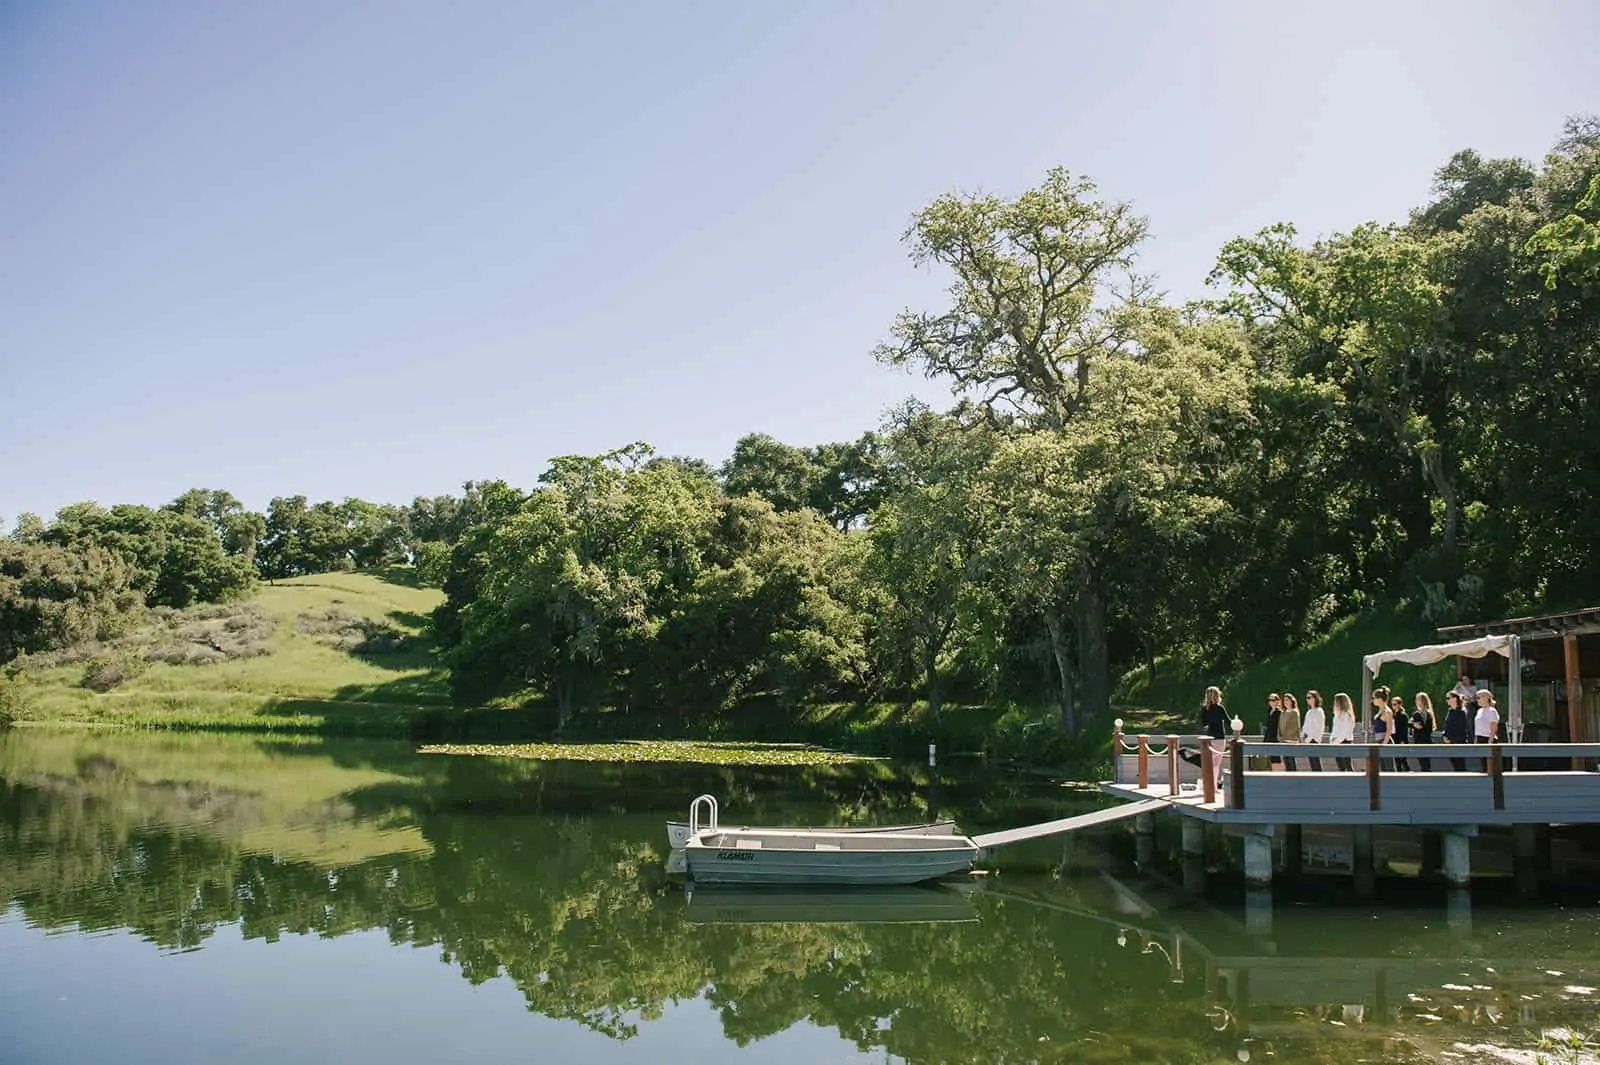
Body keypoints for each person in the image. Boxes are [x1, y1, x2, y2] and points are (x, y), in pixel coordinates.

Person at [1442, 690, 1470, 770]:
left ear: (1455, 699)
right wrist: (1444, 735)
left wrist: (1451, 738)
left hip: (1458, 741)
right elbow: (1447, 726)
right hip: (1449, 742)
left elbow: (1460, 728)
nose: (1447, 700)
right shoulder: (1450, 711)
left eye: (1448, 698)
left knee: (1460, 764)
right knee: (1454, 764)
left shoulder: (1461, 712)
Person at [1331, 692, 1357, 770]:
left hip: (1344, 741)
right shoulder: (1338, 714)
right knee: (1341, 766)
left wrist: (1336, 742)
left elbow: (1344, 732)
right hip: (1337, 741)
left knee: (1346, 765)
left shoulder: (1346, 715)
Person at [1302, 690, 1326, 771]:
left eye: (1309, 697)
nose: (1307, 700)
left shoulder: (1319, 711)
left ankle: (1320, 780)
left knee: (1315, 762)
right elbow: (1305, 726)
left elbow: (1317, 728)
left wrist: (1309, 738)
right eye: (1307, 698)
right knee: (1312, 762)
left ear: (1315, 698)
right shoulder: (1309, 712)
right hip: (1308, 740)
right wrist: (1303, 737)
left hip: (1314, 740)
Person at [1411, 692, 1436, 771]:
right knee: (1422, 762)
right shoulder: (1416, 714)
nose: (1416, 701)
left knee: (1426, 763)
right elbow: (1409, 724)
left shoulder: (1429, 714)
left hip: (1426, 741)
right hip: (1418, 741)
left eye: (1418, 699)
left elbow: (1429, 729)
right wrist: (1413, 725)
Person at [1279, 693, 1302, 771]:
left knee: (1291, 761)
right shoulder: (1283, 713)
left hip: (1291, 740)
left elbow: (1295, 727)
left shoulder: (1294, 712)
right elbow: (1280, 726)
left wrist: (1287, 737)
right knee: (1286, 761)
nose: (1285, 702)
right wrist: (1280, 737)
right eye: (1284, 700)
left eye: (1287, 700)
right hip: (1283, 741)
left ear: (1292, 701)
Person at [1389, 695, 1412, 771]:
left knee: (1403, 760)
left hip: (1401, 740)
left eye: (1395, 704)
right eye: (1392, 704)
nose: (1393, 706)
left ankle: (1408, 774)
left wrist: (1403, 741)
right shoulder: (1393, 715)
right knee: (1397, 760)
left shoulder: (1403, 715)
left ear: (1399, 705)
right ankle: (1399, 775)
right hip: (1394, 739)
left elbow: (1404, 730)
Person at [1263, 693, 1283, 766]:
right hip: (1268, 738)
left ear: (1277, 701)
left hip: (1275, 739)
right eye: (1269, 700)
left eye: (1273, 700)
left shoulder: (1279, 712)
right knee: (1269, 759)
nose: (1271, 702)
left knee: (1276, 759)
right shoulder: (1269, 711)